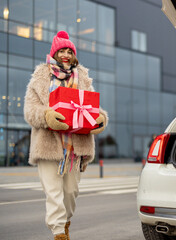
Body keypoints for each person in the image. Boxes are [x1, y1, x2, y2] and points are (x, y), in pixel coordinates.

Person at [24, 31, 108, 240]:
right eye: (61, 50)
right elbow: (29, 111)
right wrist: (47, 115)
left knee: (70, 193)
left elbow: (93, 108)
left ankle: (66, 222)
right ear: (54, 53)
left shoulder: (83, 79)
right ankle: (59, 232)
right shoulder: (39, 78)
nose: (65, 55)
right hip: (48, 146)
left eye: (69, 51)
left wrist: (101, 119)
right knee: (54, 194)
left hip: (75, 148)